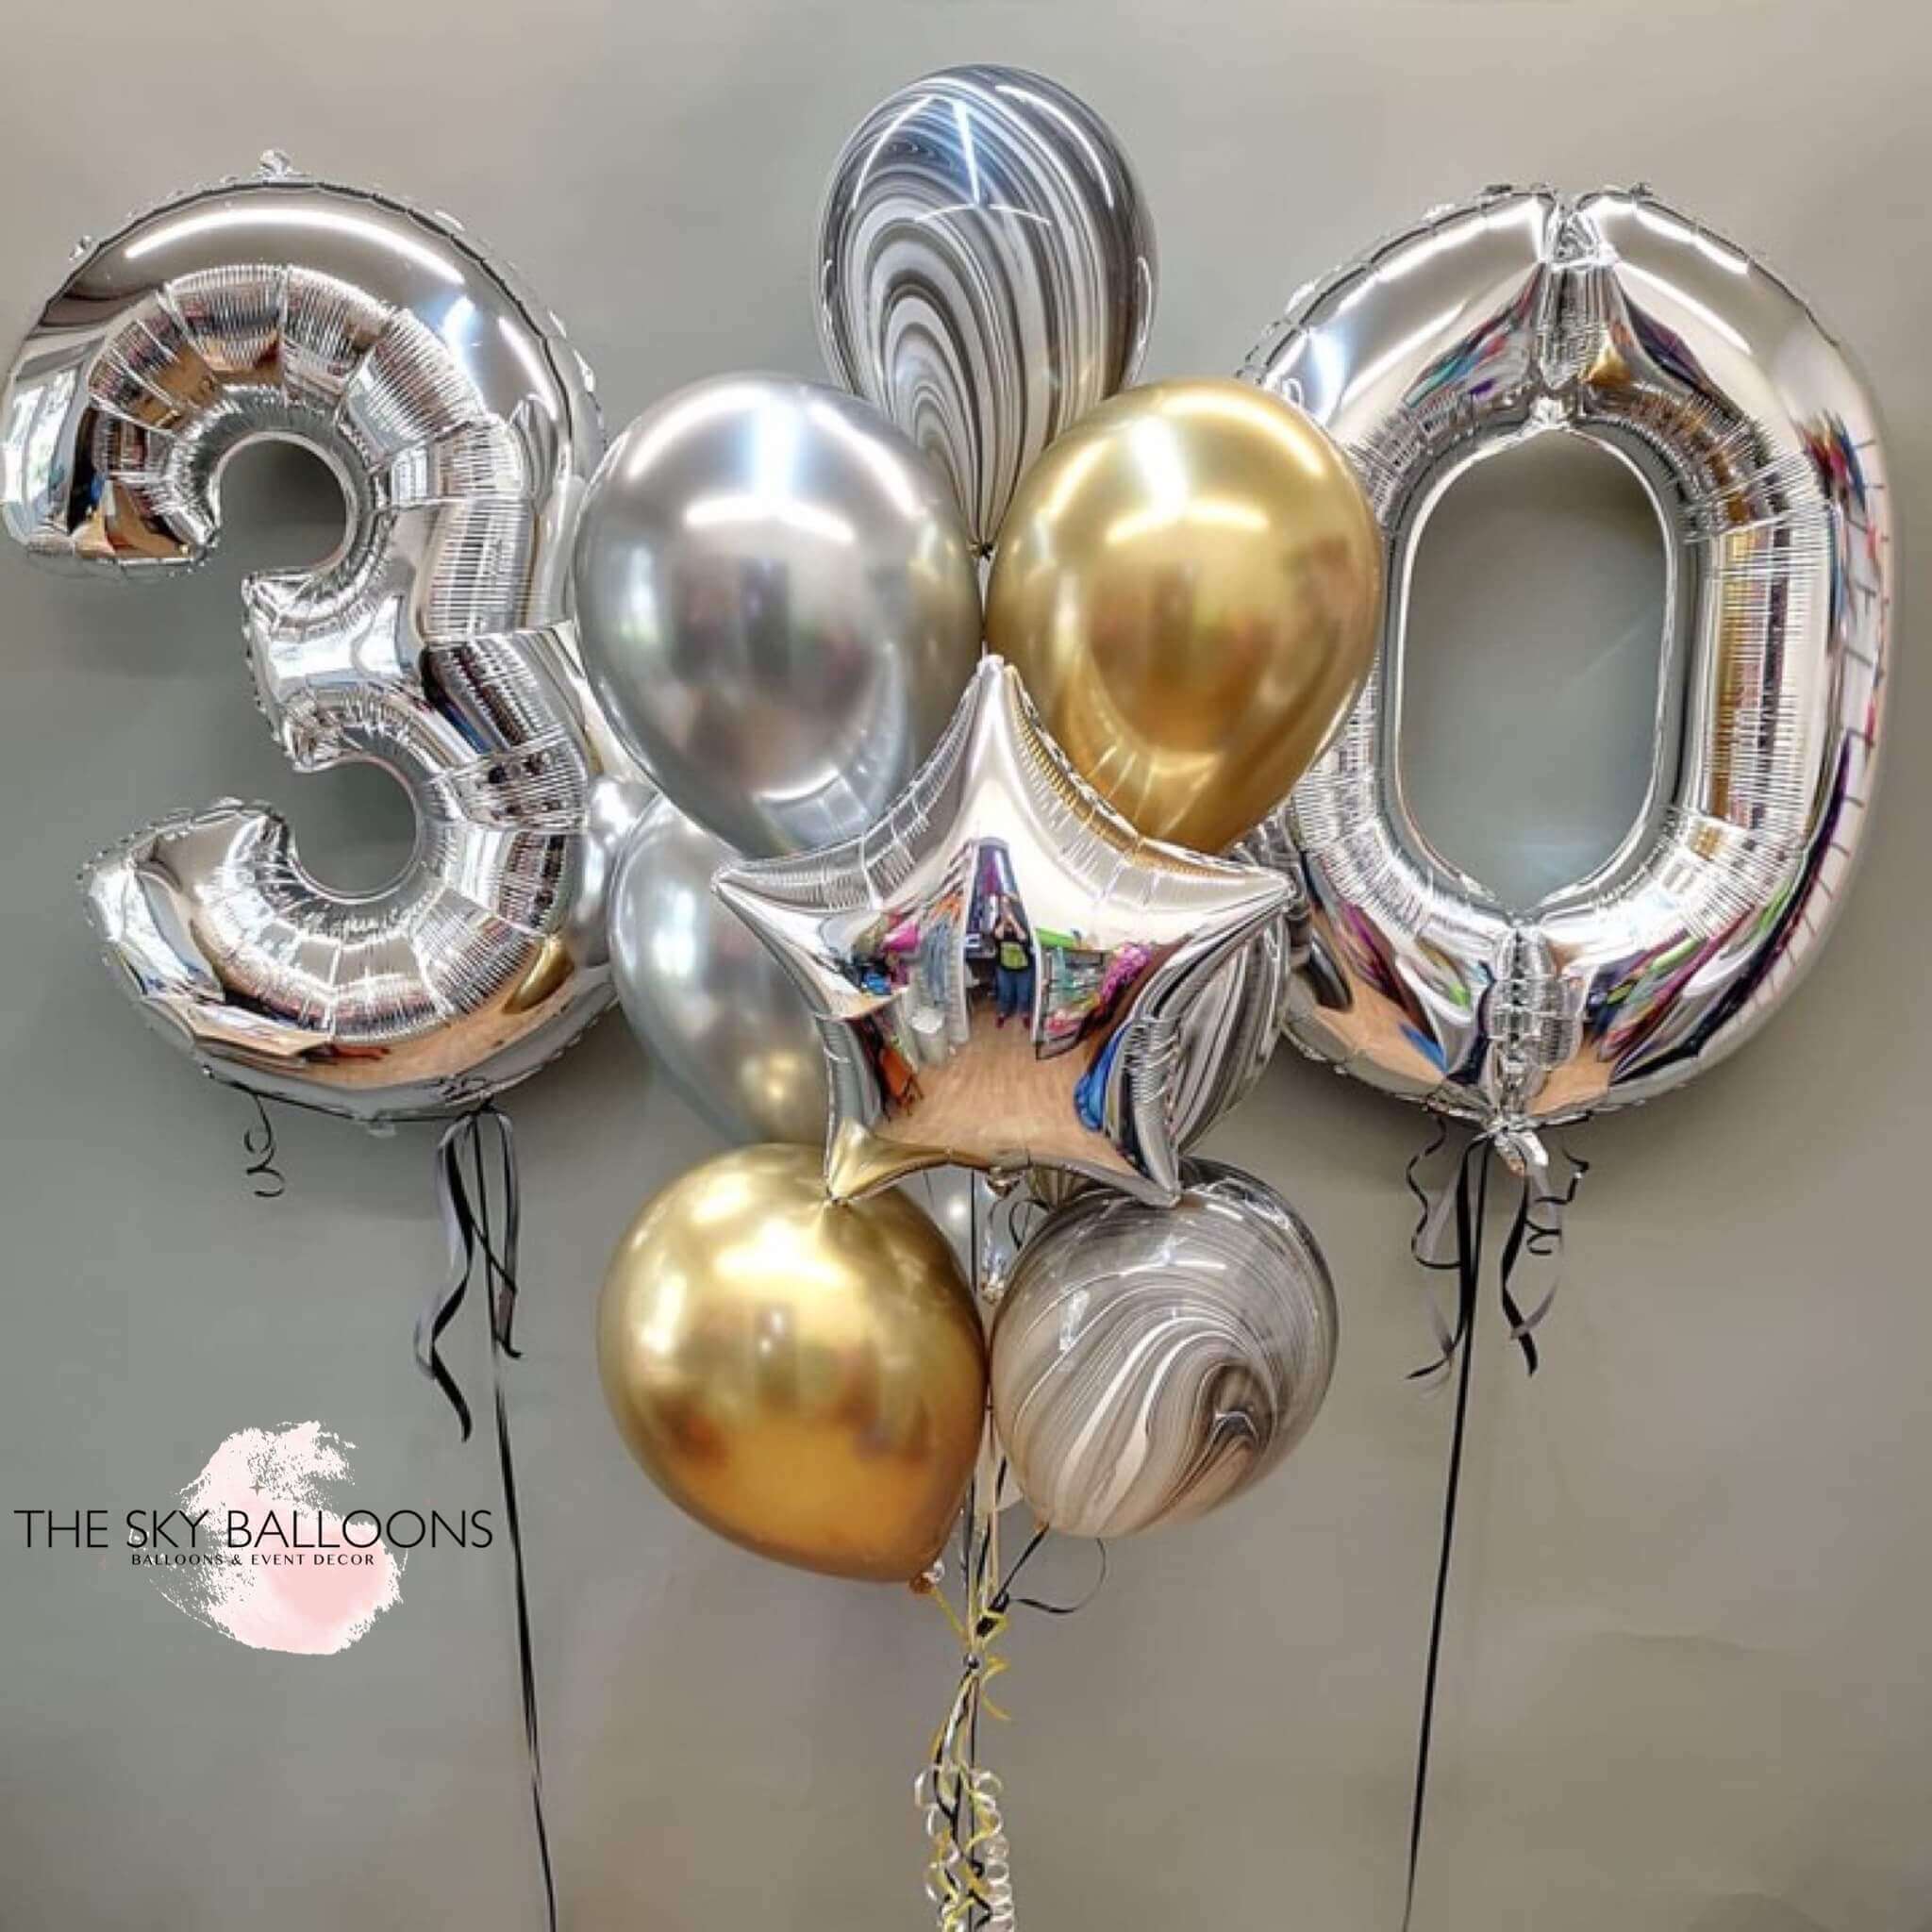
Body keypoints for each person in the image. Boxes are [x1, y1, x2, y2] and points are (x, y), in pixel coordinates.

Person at [991, 900, 1034, 1028]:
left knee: (1024, 995)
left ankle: (1025, 1014)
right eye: (1003, 906)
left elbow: (1024, 939)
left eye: (1007, 905)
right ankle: (1002, 1014)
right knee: (1005, 993)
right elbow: (997, 936)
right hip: (1004, 968)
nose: (1005, 908)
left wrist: (1014, 922)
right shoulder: (999, 921)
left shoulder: (1022, 920)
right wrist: (1004, 921)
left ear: (1013, 907)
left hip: (1024, 969)